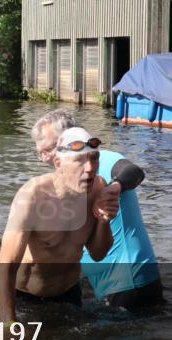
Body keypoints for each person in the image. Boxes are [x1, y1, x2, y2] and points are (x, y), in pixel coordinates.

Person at [32, 110, 162, 311]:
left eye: (49, 148)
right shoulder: (63, 182)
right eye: (40, 152)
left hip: (130, 280)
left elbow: (134, 171)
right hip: (110, 284)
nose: (44, 157)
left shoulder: (102, 161)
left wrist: (113, 188)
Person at [0, 127, 119, 324]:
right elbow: (6, 267)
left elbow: (98, 254)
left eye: (94, 158)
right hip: (26, 299)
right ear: (58, 163)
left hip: (70, 295)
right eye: (80, 160)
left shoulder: (97, 188)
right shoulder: (32, 197)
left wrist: (104, 220)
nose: (89, 168)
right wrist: (8, 325)